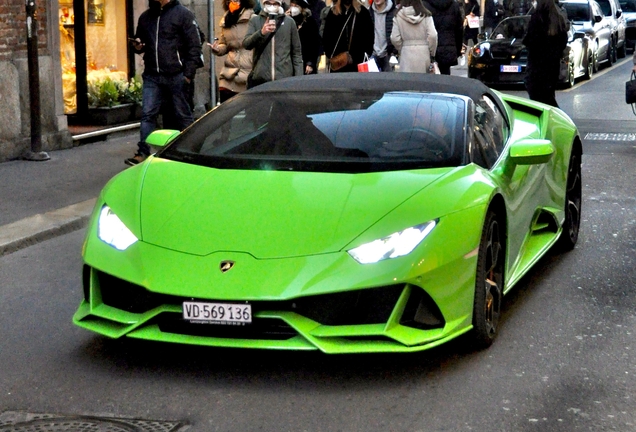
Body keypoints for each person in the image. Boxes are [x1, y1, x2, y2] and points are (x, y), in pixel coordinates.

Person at [125, 0, 203, 166]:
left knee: (182, 113)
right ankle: (143, 152)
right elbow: (141, 44)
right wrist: (138, 46)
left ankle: (193, 150)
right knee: (148, 114)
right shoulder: (146, 17)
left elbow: (194, 45)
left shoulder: (183, 14)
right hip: (153, 75)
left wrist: (187, 75)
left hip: (176, 74)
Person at [243, 0, 303, 87]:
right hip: (261, 79)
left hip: (284, 79)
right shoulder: (255, 20)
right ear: (264, 3)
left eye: (275, 3)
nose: (271, 6)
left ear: (280, 4)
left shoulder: (289, 22)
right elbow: (246, 44)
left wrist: (298, 79)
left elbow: (296, 52)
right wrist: (261, 33)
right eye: (268, 3)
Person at [523, 0, 568, 107]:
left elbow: (530, 40)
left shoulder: (537, 18)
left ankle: (556, 120)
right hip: (552, 66)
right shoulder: (558, 19)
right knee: (548, 96)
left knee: (537, 97)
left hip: (537, 67)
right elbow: (563, 40)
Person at [208, 0, 256, 102]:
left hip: (248, 70)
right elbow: (224, 44)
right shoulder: (226, 20)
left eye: (237, 0)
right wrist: (217, 48)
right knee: (225, 107)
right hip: (229, 71)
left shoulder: (252, 19)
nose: (234, 3)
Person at [322, 0, 374, 73]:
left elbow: (369, 37)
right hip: (338, 63)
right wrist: (331, 55)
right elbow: (326, 38)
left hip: (357, 64)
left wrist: (361, 55)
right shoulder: (333, 13)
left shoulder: (362, 12)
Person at [390, 0, 438, 73]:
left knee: (408, 82)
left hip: (406, 54)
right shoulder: (426, 15)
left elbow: (394, 38)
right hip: (424, 53)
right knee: (424, 82)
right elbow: (433, 35)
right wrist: (431, 52)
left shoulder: (398, 16)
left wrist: (402, 48)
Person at [422, 0, 463, 75]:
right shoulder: (454, 5)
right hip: (448, 47)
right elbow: (459, 30)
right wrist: (458, 50)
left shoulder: (424, 5)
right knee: (445, 77)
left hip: (429, 48)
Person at [287, 0, 322, 74]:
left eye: (296, 6)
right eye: (291, 5)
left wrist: (310, 63)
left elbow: (314, 43)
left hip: (305, 59)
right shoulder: (288, 21)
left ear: (302, 8)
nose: (293, 8)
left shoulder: (310, 22)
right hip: (290, 62)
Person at [370, 0, 399, 71]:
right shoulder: (369, 12)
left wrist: (394, 51)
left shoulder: (394, 12)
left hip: (389, 55)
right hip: (373, 55)